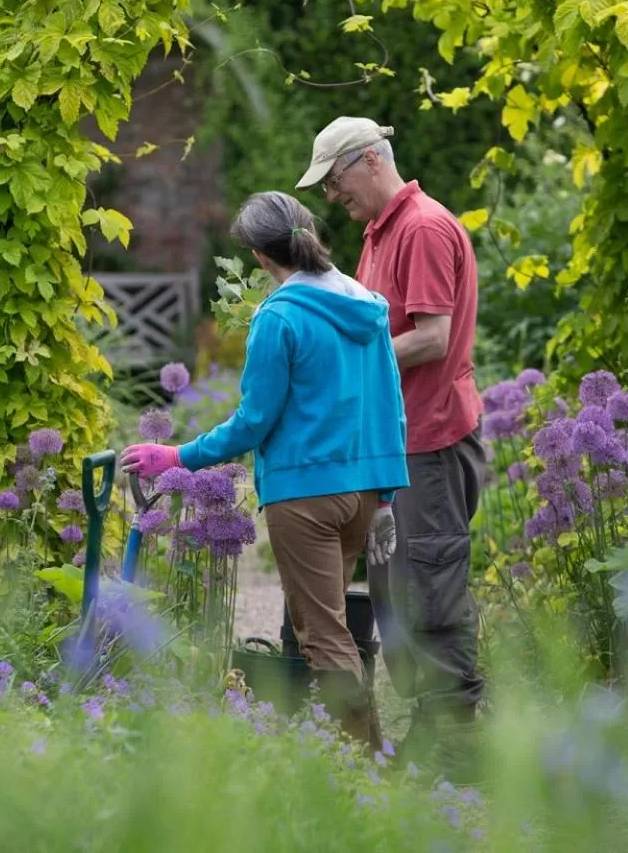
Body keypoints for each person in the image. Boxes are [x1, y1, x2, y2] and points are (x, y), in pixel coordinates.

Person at [121, 191, 408, 748]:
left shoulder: (279, 317)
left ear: (257, 255)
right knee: (335, 631)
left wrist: (178, 456)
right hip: (364, 494)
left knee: (323, 637)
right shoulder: (367, 306)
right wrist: (388, 498)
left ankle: (361, 769)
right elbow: (390, 405)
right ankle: (371, 756)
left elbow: (254, 422)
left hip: (305, 497)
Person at [297, 117, 486, 782]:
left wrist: (347, 363)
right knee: (396, 594)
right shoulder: (381, 232)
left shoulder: (423, 228)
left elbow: (431, 338)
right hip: (398, 446)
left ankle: (459, 756)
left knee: (429, 594)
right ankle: (430, 740)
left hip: (431, 443)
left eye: (335, 180)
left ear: (371, 160)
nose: (331, 197)